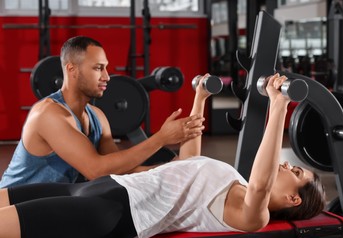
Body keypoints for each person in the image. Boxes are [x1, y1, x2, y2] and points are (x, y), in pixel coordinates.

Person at [0, 73, 326, 238]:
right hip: (90, 189)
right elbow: (190, 160)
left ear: (293, 200)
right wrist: (200, 97)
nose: (287, 167)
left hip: (111, 213)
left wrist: (280, 105)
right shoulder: (232, 180)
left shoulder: (253, 215)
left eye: (295, 172)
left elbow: (261, 182)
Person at [0, 36, 204, 188]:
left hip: (52, 208)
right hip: (14, 209)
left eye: (106, 68)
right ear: (72, 70)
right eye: (98, 68)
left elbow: (117, 170)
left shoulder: (98, 116)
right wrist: (161, 138)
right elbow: (96, 170)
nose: (107, 76)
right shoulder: (48, 114)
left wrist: (167, 168)